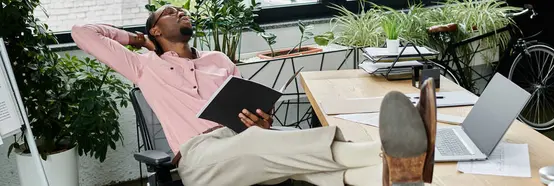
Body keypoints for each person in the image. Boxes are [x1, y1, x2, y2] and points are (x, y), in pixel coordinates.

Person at [71, 5, 432, 186]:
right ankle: (380, 150)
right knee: (261, 146)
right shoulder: (142, 65)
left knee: (300, 158)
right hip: (200, 158)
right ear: (155, 29)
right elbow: (82, 32)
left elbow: (254, 112)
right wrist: (135, 40)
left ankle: (393, 172)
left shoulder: (219, 60)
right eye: (170, 12)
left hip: (248, 138)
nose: (181, 12)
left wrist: (262, 120)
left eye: (182, 10)